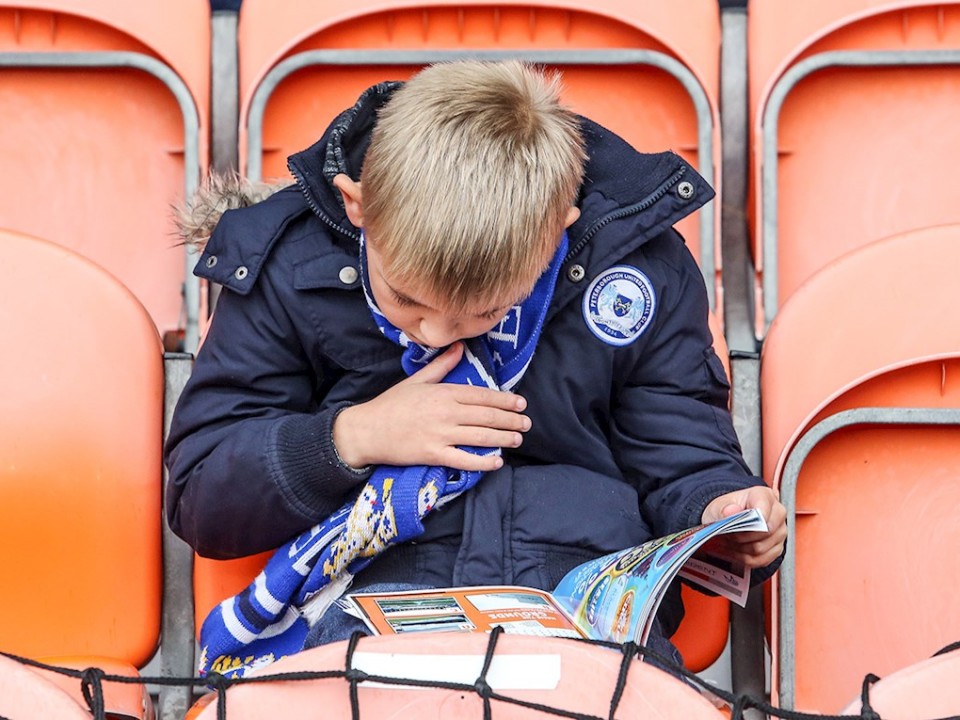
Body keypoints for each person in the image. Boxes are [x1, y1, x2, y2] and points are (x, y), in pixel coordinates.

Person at [165, 60, 787, 677]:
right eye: (407, 299)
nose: (436, 334)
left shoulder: (640, 270)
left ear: (557, 231)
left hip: (585, 600)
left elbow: (679, 449)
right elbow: (202, 495)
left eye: (485, 311)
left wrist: (719, 510)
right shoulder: (285, 267)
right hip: (370, 597)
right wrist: (352, 436)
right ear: (357, 205)